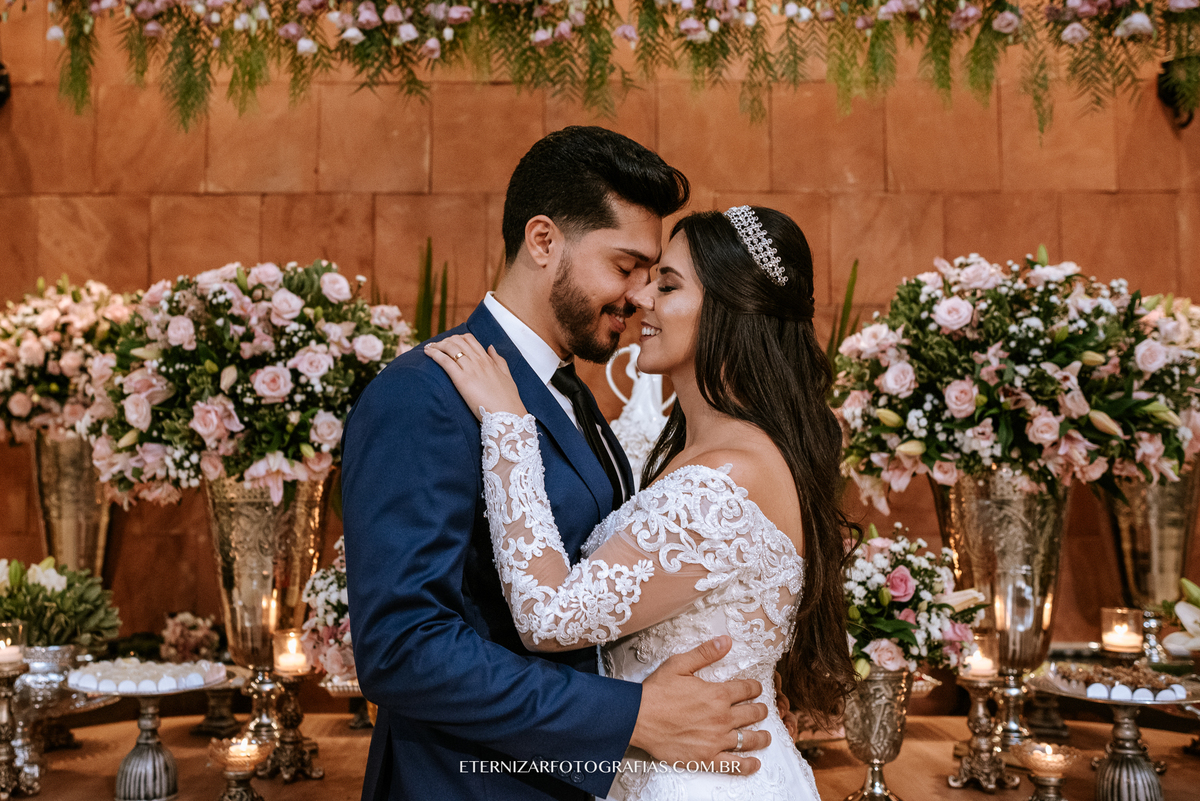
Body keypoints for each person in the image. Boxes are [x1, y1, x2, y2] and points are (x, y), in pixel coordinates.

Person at [341, 127, 773, 801]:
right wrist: (629, 716)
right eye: (625, 265)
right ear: (543, 241)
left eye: (652, 274)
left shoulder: (570, 393)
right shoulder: (425, 392)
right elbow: (404, 647)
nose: (637, 296)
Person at [425, 205, 858, 800]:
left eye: (668, 285)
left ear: (732, 313)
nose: (641, 299)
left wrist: (507, 427)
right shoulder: (712, 453)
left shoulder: (727, 477)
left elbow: (549, 618)